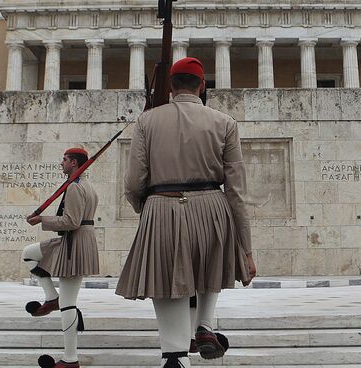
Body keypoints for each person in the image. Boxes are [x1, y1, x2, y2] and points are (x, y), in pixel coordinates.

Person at [116, 57, 257, 368]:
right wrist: (246, 250)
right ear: (202, 85)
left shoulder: (146, 121)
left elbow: (132, 182)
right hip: (212, 206)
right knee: (206, 267)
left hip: (162, 204)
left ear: (171, 86)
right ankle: (204, 326)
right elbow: (236, 192)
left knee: (167, 278)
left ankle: (176, 353)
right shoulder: (224, 122)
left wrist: (148, 207)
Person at [22, 147, 99, 368]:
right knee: (29, 254)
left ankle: (70, 359)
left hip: (75, 241)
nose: (61, 163)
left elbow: (71, 222)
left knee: (68, 304)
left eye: (65, 160)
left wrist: (42, 220)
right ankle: (51, 297)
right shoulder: (87, 186)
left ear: (74, 163)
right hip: (73, 240)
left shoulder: (76, 188)